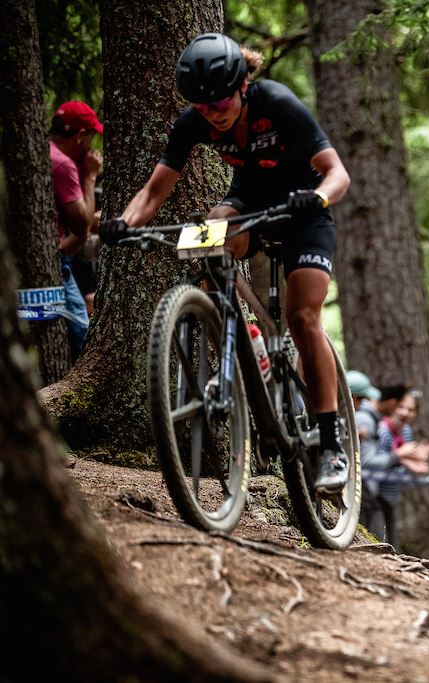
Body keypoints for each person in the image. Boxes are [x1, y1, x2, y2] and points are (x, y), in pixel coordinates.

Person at [98, 33, 352, 492]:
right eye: (202, 105)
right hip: (249, 206)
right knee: (210, 231)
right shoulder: (194, 121)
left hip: (303, 210)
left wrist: (314, 198)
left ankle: (332, 445)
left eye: (219, 102)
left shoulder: (276, 100)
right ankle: (245, 336)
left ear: (241, 86)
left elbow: (338, 173)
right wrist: (122, 222)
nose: (213, 112)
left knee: (302, 318)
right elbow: (155, 190)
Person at [50, 101, 103, 359]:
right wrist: (90, 176)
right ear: (81, 135)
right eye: (91, 137)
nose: (92, 146)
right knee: (84, 330)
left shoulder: (45, 154)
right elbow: (81, 225)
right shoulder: (62, 164)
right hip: (55, 262)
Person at [358, 383, 429, 546]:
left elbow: (398, 461)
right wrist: (401, 457)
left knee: (392, 542)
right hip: (375, 497)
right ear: (394, 406)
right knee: (379, 540)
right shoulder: (382, 430)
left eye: (411, 409)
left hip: (392, 497)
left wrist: (412, 460)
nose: (405, 413)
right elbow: (373, 462)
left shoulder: (406, 432)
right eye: (401, 407)